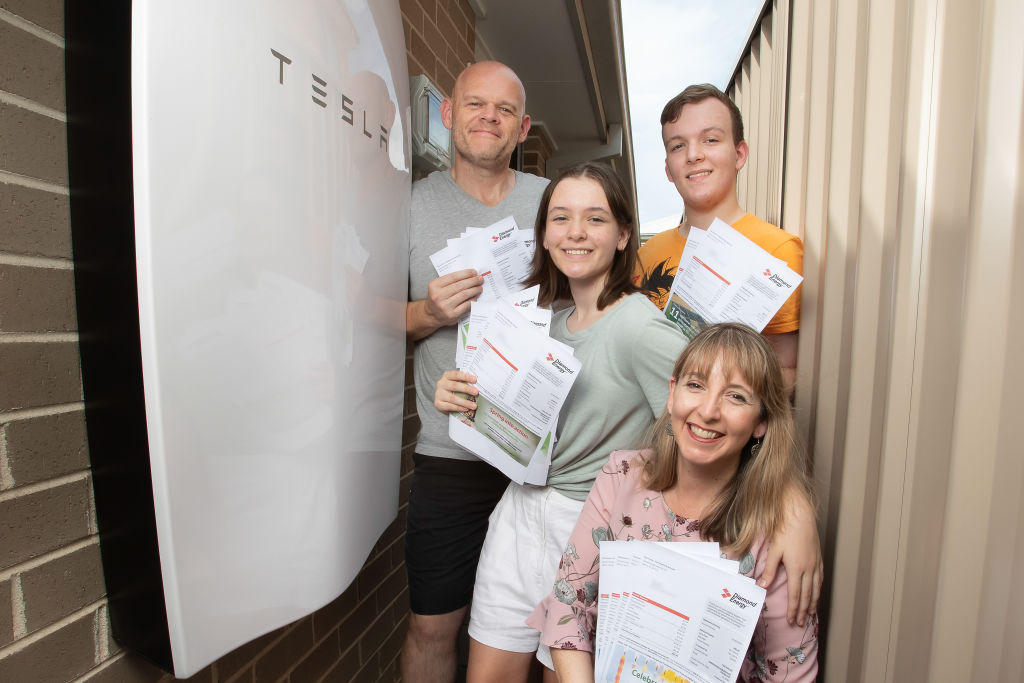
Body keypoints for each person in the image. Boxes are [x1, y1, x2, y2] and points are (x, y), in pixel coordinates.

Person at [434, 164, 819, 683]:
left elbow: (719, 412)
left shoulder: (640, 326)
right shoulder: (540, 323)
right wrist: (459, 401)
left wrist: (792, 507)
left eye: (595, 219)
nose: (575, 232)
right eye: (560, 218)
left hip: (587, 523)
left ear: (622, 236)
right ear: (543, 235)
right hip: (518, 513)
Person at [530, 323, 819, 682]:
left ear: (761, 422)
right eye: (696, 385)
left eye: (736, 396)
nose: (708, 410)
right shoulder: (623, 475)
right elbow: (569, 605)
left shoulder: (779, 535)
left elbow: (788, 672)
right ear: (672, 393)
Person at [402, 61, 549, 683]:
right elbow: (360, 315)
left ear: (523, 128)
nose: (489, 117)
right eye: (475, 104)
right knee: (433, 624)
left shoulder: (551, 203)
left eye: (505, 109)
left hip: (548, 455)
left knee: (547, 630)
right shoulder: (406, 205)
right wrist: (427, 311)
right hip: (452, 453)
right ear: (448, 112)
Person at [635, 84, 803, 392]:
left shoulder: (778, 250)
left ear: (739, 154)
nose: (694, 155)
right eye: (677, 146)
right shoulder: (647, 254)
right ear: (668, 170)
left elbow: (785, 371)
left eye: (710, 140)